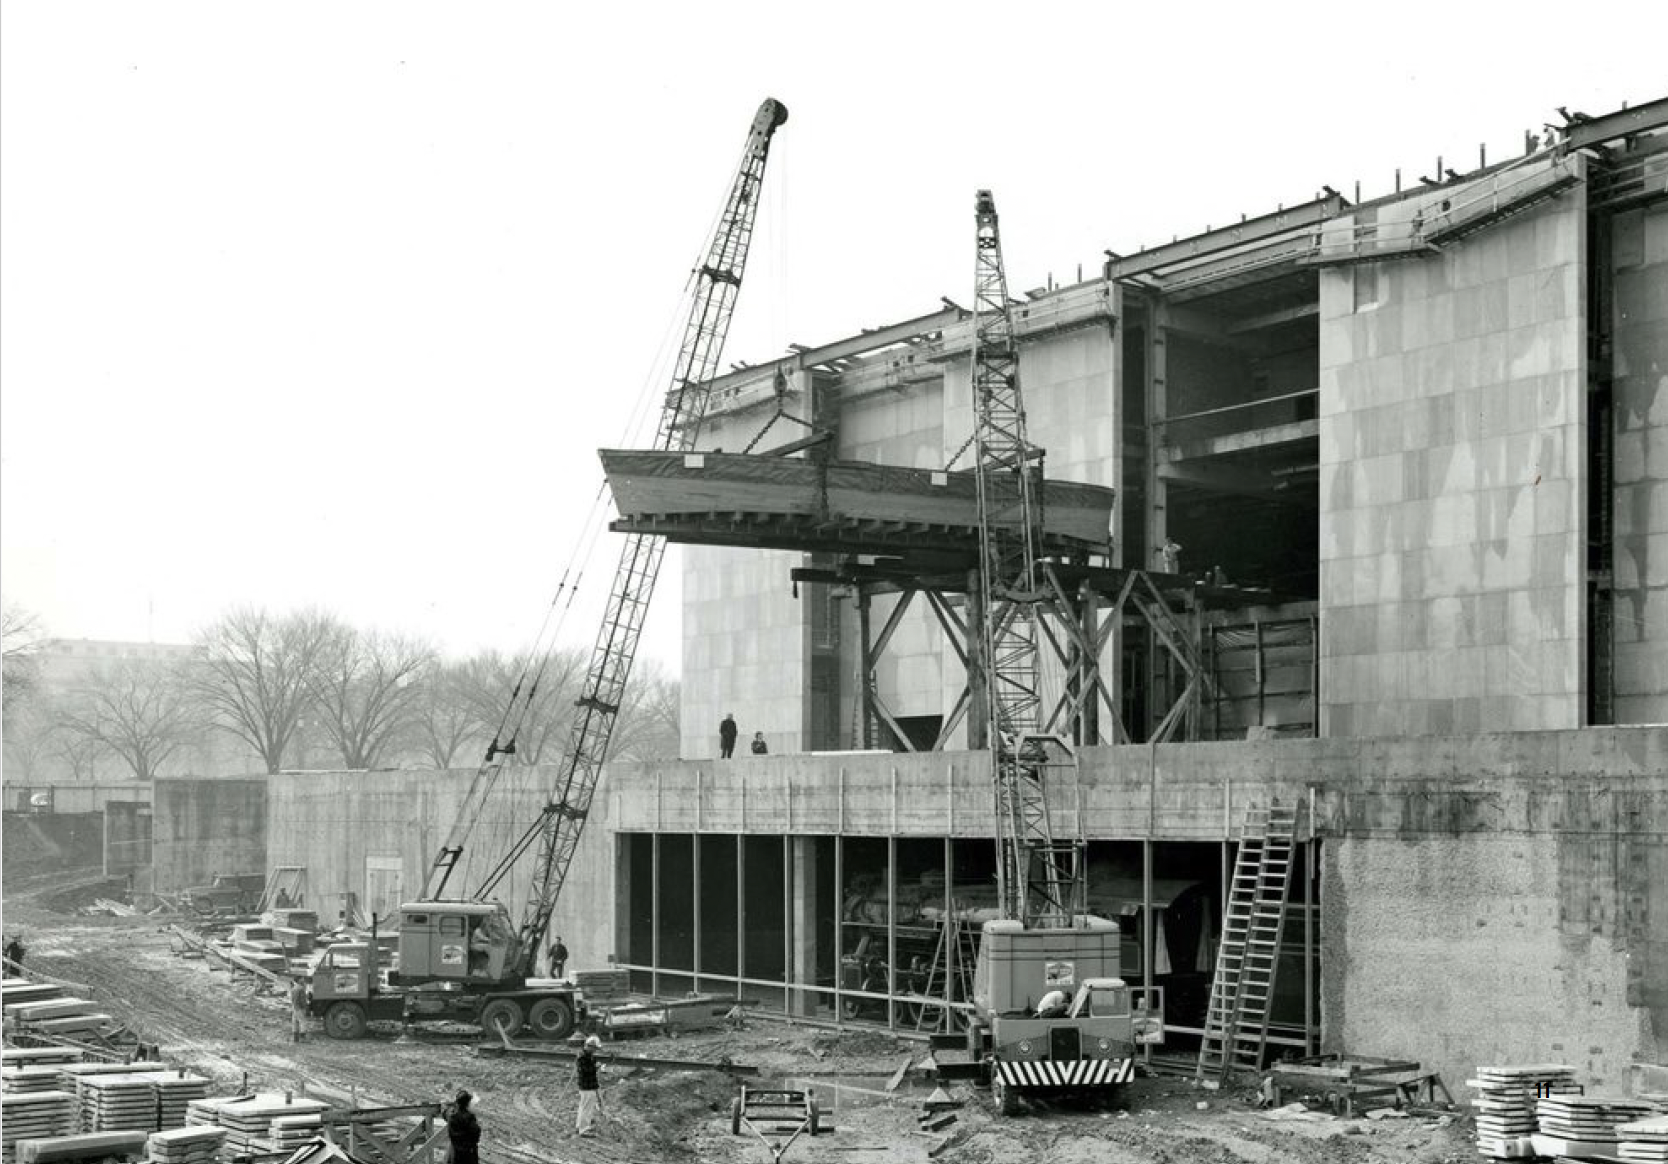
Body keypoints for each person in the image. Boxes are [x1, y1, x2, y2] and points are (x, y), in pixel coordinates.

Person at [575, 1035, 602, 1137]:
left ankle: (579, 1126)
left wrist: (595, 1066)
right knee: (587, 1108)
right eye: (594, 1048)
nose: (595, 1051)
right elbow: (585, 1071)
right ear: (589, 1046)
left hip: (589, 1085)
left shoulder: (589, 1056)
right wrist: (595, 1067)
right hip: (586, 1086)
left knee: (583, 1107)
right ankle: (584, 1129)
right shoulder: (583, 1057)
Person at [445, 1090, 481, 1164]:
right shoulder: (469, 1117)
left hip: (455, 1152)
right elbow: (476, 1133)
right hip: (467, 1154)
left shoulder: (452, 1115)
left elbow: (445, 1112)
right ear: (467, 1104)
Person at [289, 978, 309, 1043]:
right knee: (303, 1022)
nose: (303, 980)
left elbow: (291, 999)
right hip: (300, 1008)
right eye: (302, 979)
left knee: (295, 1023)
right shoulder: (301, 989)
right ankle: (303, 1039)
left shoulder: (293, 988)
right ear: (299, 980)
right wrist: (305, 1007)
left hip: (294, 1008)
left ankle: (295, 1039)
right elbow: (303, 1000)